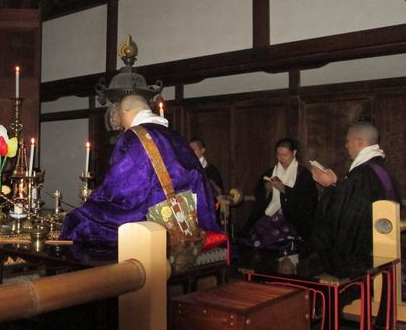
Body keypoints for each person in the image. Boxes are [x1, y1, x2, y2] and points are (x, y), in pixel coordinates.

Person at [60, 94, 220, 244]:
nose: (122, 124)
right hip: (191, 221)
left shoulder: (134, 137)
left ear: (125, 112)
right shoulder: (175, 136)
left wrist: (94, 200)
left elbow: (119, 188)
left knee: (78, 221)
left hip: (153, 223)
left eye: (121, 117)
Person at [304, 121, 400, 276]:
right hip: (382, 241)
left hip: (362, 253)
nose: (346, 145)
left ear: (360, 142)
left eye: (348, 141)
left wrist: (330, 186)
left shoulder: (362, 174)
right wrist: (336, 184)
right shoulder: (383, 169)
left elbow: (343, 214)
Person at [240, 138, 318, 252]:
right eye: (278, 155)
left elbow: (309, 201)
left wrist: (285, 190)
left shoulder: (303, 175)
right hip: (271, 213)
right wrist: (267, 190)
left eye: (285, 155)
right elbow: (258, 193)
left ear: (294, 153)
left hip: (292, 219)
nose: (281, 158)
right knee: (255, 237)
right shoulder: (271, 172)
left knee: (276, 241)